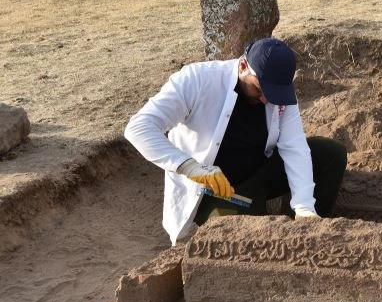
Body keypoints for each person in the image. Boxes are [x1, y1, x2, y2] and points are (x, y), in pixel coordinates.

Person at [125, 37, 348, 245]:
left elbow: (295, 146)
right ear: (243, 66)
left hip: (261, 172)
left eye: (274, 93)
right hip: (215, 189)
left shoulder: (278, 92)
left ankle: (313, 236)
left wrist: (304, 206)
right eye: (260, 89)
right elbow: (139, 128)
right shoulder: (197, 80)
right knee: (248, 238)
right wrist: (189, 167)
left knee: (329, 154)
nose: (266, 99)